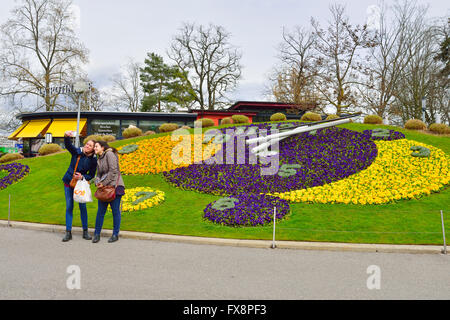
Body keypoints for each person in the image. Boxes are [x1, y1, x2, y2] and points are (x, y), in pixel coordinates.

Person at [62, 131, 97, 242]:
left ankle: (85, 232)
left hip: (80, 185)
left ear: (93, 149)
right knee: (69, 206)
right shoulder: (77, 152)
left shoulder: (93, 160)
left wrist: (82, 176)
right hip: (68, 182)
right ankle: (68, 232)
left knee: (83, 207)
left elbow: (91, 175)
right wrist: (66, 136)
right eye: (87, 144)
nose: (87, 146)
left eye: (90, 145)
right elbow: (68, 145)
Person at [92, 140, 125, 243]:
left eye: (96, 146)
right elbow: (98, 174)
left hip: (115, 187)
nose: (94, 148)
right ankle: (97, 234)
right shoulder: (99, 158)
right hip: (104, 188)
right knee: (100, 212)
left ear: (102, 147)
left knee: (115, 212)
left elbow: (113, 170)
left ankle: (115, 234)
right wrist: (97, 181)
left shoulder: (109, 154)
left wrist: (104, 183)